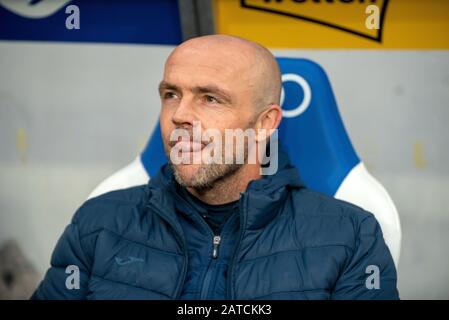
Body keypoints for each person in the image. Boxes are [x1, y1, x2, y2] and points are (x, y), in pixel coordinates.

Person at [31, 35, 399, 300]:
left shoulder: (352, 238)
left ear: (265, 124)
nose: (179, 115)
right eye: (170, 94)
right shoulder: (99, 224)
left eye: (210, 99)